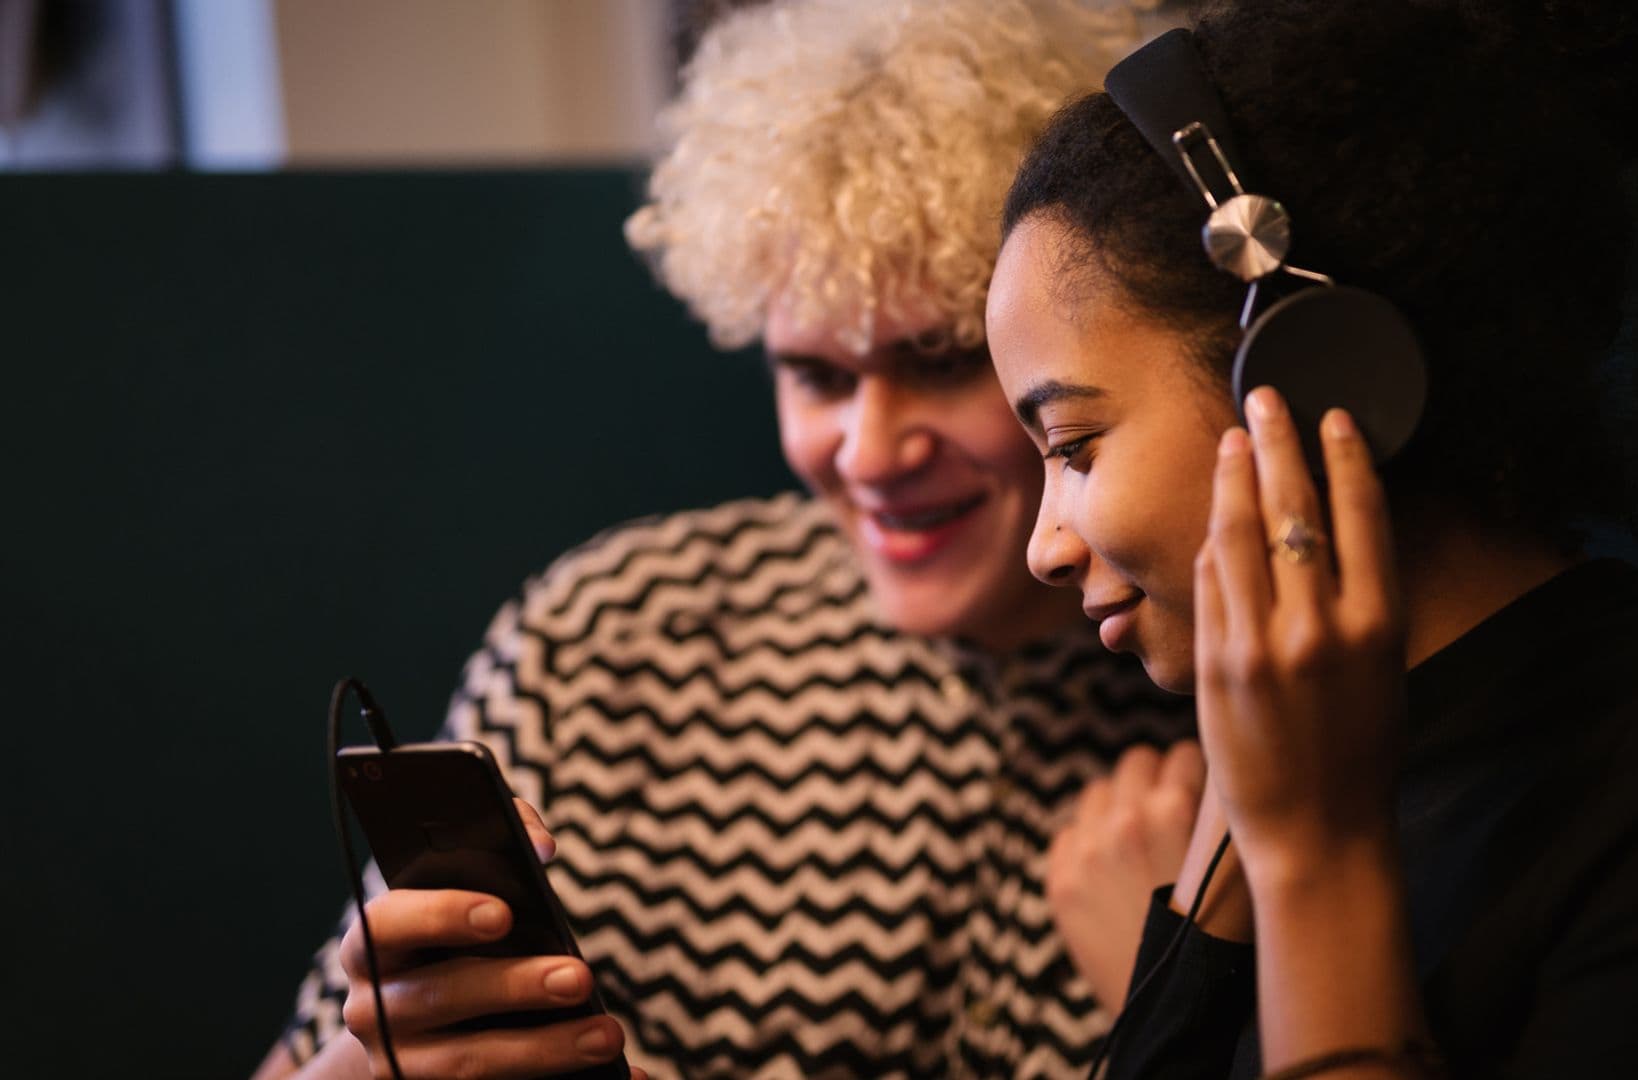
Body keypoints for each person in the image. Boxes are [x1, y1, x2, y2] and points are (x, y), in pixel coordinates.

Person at [252, 3, 1196, 1078]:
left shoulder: (1224, 692)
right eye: (819, 376)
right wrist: (367, 1061)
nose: (870, 451)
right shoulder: (616, 638)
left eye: (939, 358)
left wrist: (1183, 992)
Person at [985, 1, 1638, 1077]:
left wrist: (1316, 862)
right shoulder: (1277, 782)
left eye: (1074, 445)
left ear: (1308, 379)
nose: (1043, 546)